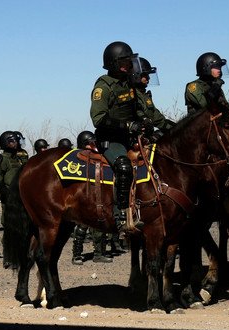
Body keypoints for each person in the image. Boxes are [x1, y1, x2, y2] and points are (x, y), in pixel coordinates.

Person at [90, 40, 149, 232]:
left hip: (129, 137)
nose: (129, 65)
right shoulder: (103, 86)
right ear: (114, 63)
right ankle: (121, 215)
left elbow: (136, 111)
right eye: (124, 62)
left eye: (129, 61)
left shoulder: (129, 83)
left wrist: (144, 123)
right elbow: (98, 118)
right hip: (110, 140)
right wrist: (127, 125)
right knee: (124, 166)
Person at [70, 130, 114, 264]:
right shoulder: (79, 160)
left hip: (97, 197)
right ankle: (76, 254)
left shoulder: (97, 157)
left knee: (99, 226)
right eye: (91, 143)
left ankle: (99, 253)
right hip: (83, 198)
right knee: (81, 227)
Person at [132, 56, 175, 138]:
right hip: (134, 138)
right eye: (145, 75)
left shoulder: (145, 95)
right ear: (136, 75)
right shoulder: (130, 94)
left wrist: (177, 128)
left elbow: (158, 119)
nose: (148, 78)